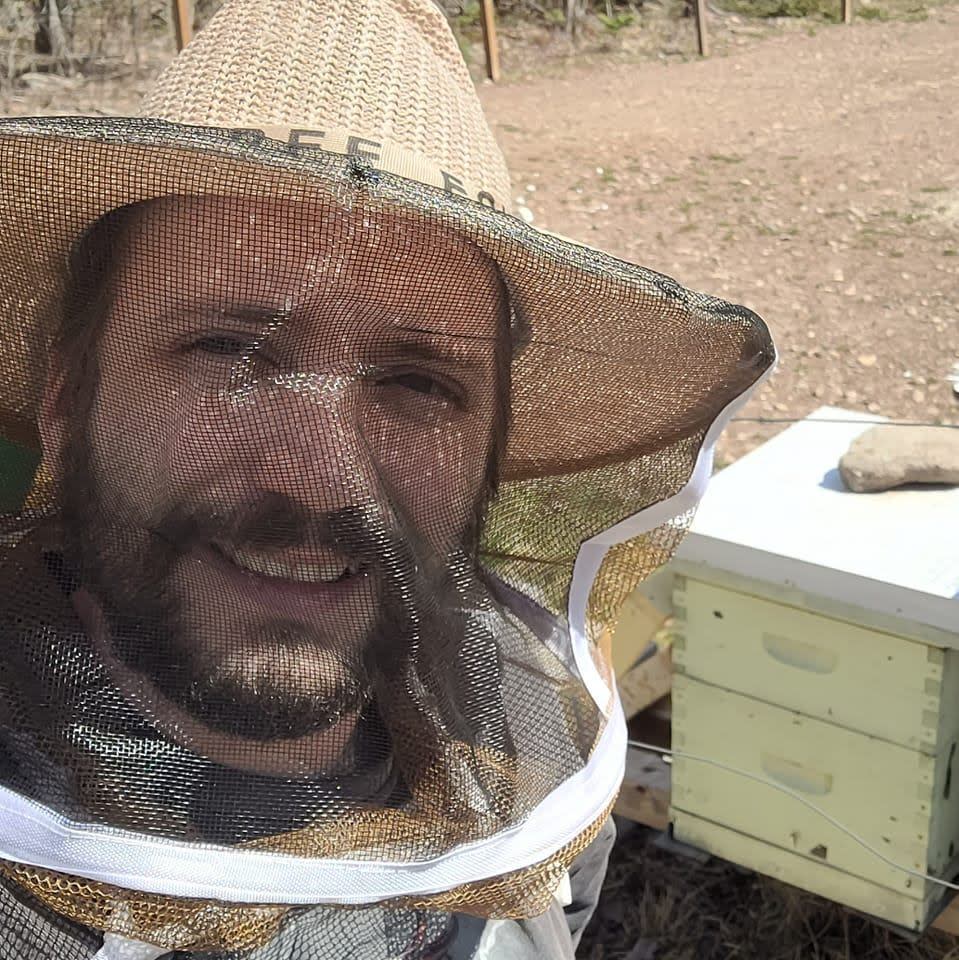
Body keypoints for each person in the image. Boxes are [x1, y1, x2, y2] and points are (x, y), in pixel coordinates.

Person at [0, 0, 775, 957]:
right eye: (230, 351)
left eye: (418, 382)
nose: (326, 477)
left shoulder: (526, 746)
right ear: (67, 401)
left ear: (489, 448)